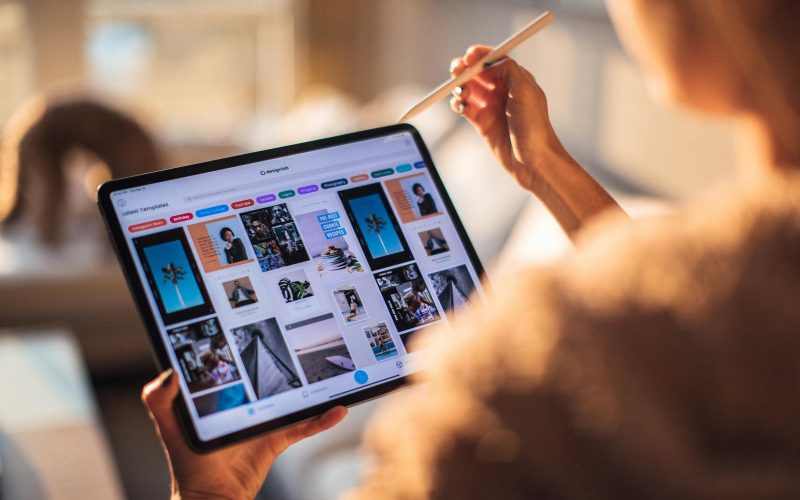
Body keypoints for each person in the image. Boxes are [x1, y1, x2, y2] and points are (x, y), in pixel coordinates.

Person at [143, 1, 800, 498]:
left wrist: (208, 495)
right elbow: (678, 313)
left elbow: (652, 329)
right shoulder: (731, 311)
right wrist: (544, 167)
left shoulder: (528, 373)